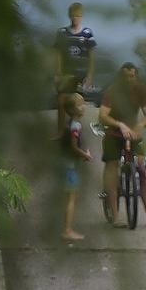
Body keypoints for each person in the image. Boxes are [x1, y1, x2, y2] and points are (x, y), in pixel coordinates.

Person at [98, 63, 146, 227]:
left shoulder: (140, 90)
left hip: (133, 133)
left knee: (141, 169)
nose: (129, 80)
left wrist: (140, 125)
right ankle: (116, 216)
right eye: (126, 77)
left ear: (136, 76)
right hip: (113, 132)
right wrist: (119, 124)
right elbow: (103, 115)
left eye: (132, 76)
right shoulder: (112, 91)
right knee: (112, 166)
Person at [53, 2, 96, 132]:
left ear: (81, 16)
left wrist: (90, 75)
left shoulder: (87, 33)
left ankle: (75, 131)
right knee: (61, 101)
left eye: (78, 16)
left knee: (78, 103)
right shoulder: (62, 33)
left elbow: (92, 56)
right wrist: (58, 72)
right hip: (67, 73)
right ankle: (60, 131)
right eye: (73, 15)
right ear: (69, 16)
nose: (75, 18)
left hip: (81, 74)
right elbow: (58, 53)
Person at [59, 93, 92, 241]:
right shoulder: (75, 125)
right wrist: (85, 155)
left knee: (70, 196)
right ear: (72, 110)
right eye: (80, 104)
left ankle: (66, 227)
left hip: (68, 164)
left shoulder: (71, 123)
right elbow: (73, 146)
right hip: (70, 166)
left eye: (83, 103)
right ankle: (67, 230)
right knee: (71, 198)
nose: (83, 106)